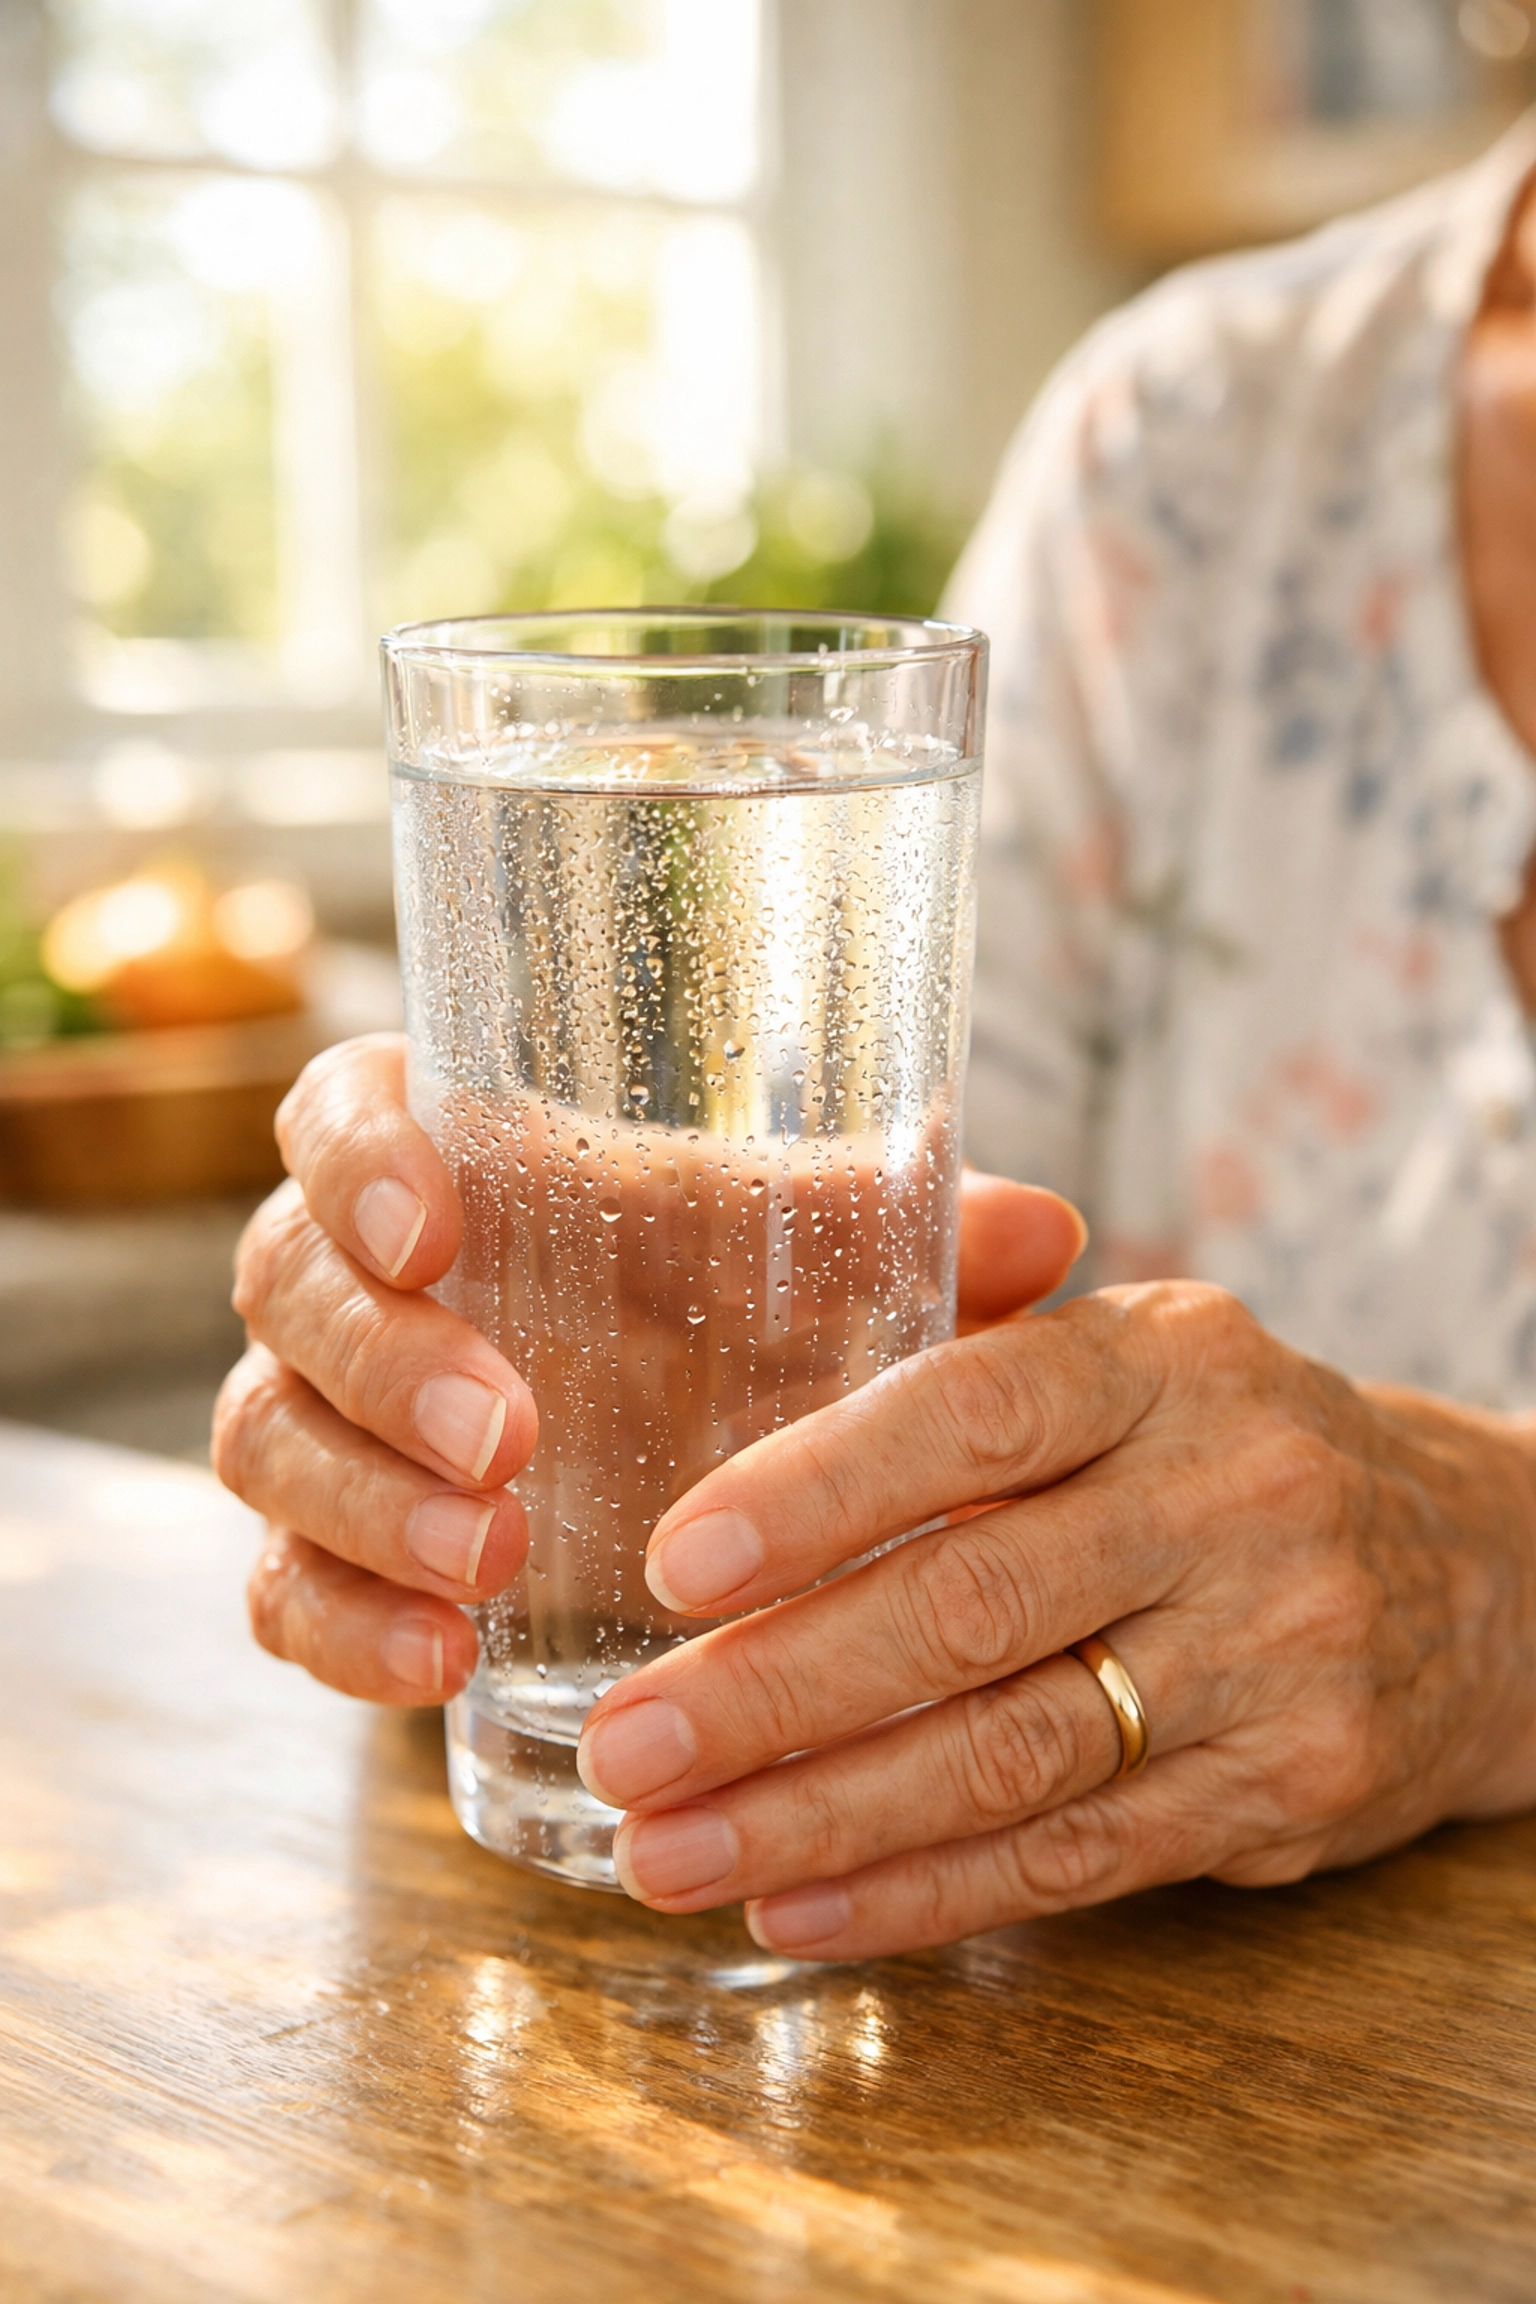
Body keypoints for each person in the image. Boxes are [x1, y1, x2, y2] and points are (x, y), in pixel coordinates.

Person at [215, 116, 1536, 1962]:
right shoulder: (1189, 440)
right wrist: (526, 1463)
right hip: (1081, 2060)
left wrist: (1494, 1583)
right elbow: (874, 1295)